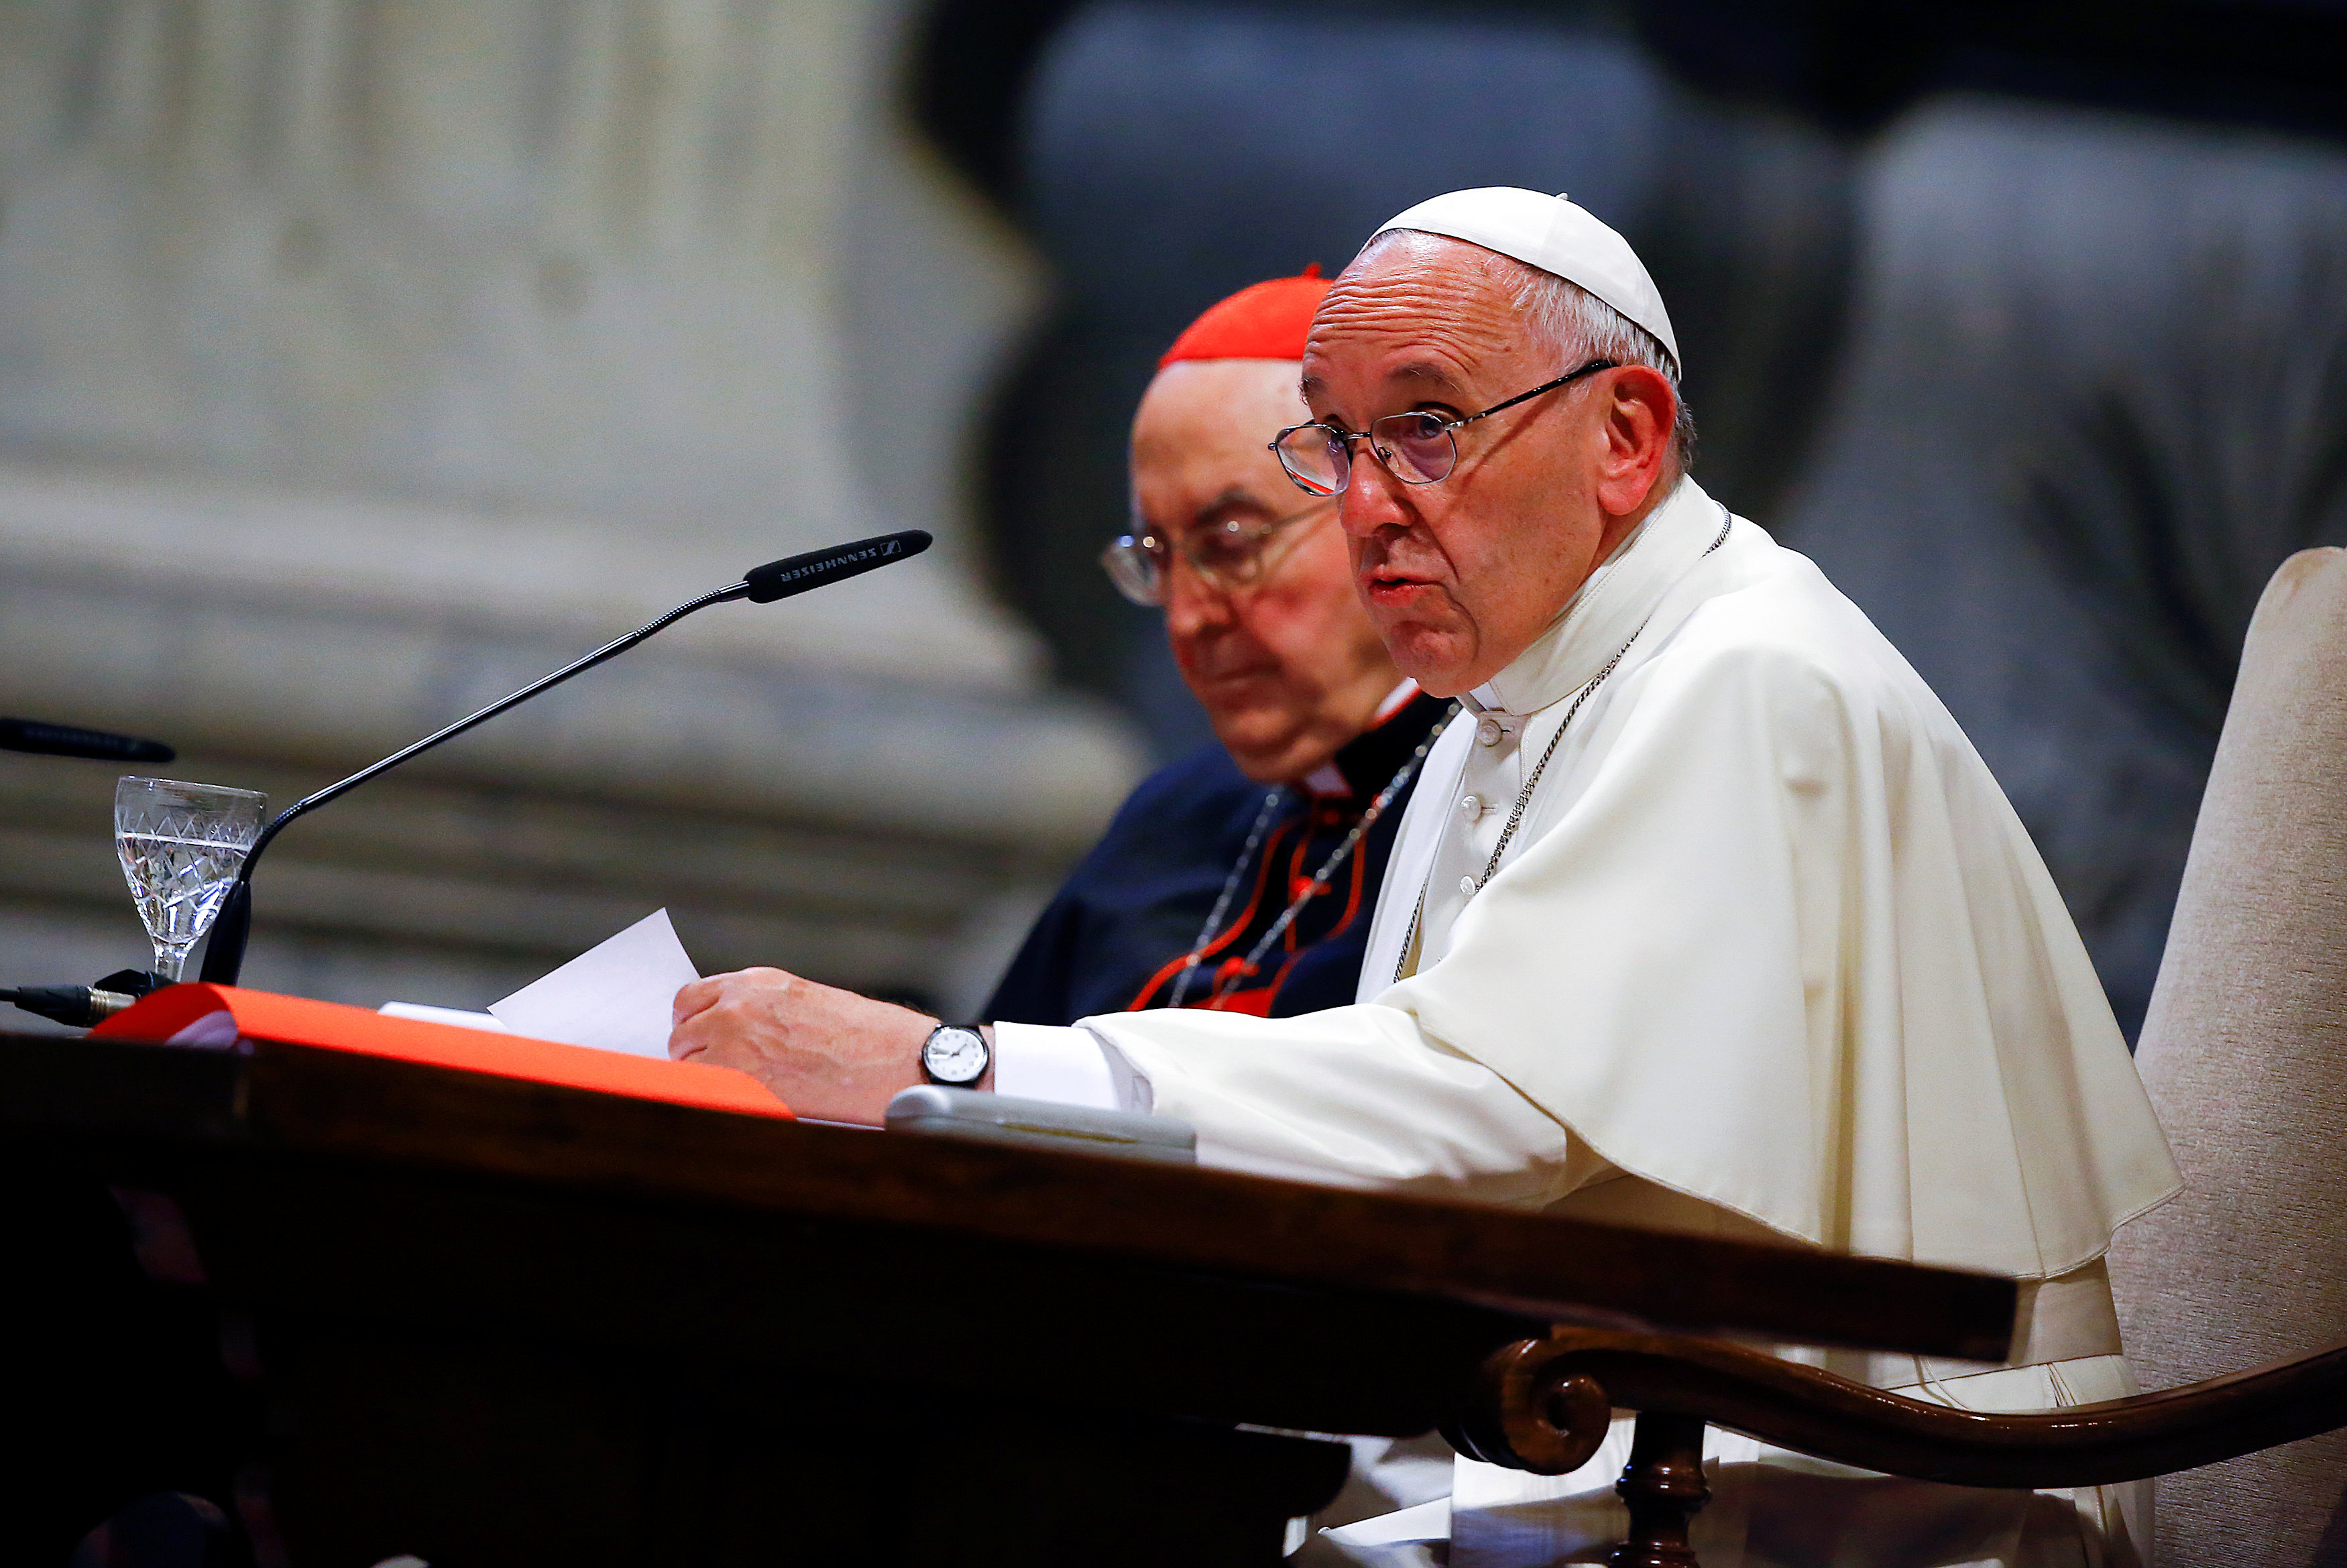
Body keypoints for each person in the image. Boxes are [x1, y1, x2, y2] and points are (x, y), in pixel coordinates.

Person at [671, 188, 2180, 1566]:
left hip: (1855, 1495)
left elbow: (1485, 1105)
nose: (1368, 500)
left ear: (1627, 437)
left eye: (1429, 426)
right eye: (1335, 437)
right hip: (1610, 1446)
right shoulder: (1509, 698)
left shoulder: (1749, 672)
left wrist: (956, 1062)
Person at [989, 268, 1452, 1026]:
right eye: (1157, 558)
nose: (1186, 618)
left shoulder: (1511, 800)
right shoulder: (1167, 820)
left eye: (1230, 543)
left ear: (1386, 516)